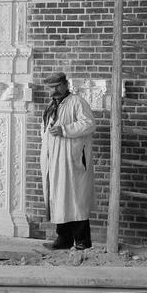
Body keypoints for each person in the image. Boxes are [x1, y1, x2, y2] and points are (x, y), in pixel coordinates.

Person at [40, 71, 96, 250]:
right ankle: (63, 239)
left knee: (75, 198)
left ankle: (82, 241)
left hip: (71, 159)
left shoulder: (77, 102)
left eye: (57, 86)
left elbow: (89, 124)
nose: (54, 90)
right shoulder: (51, 105)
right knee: (59, 197)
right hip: (54, 159)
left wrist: (65, 130)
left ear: (66, 84)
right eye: (51, 88)